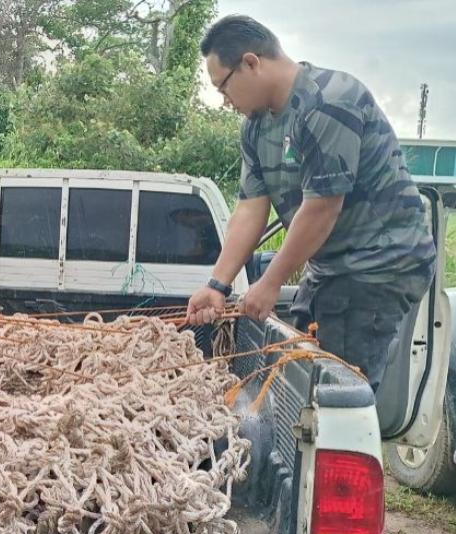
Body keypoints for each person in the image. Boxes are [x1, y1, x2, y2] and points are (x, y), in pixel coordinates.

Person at [186, 15, 435, 392]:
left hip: (378, 264)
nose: (226, 102)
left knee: (333, 391)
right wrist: (217, 285)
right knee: (294, 370)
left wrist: (270, 283)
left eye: (224, 88)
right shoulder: (256, 127)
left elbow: (322, 207)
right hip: (331, 266)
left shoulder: (330, 101)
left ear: (251, 63)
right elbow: (251, 207)